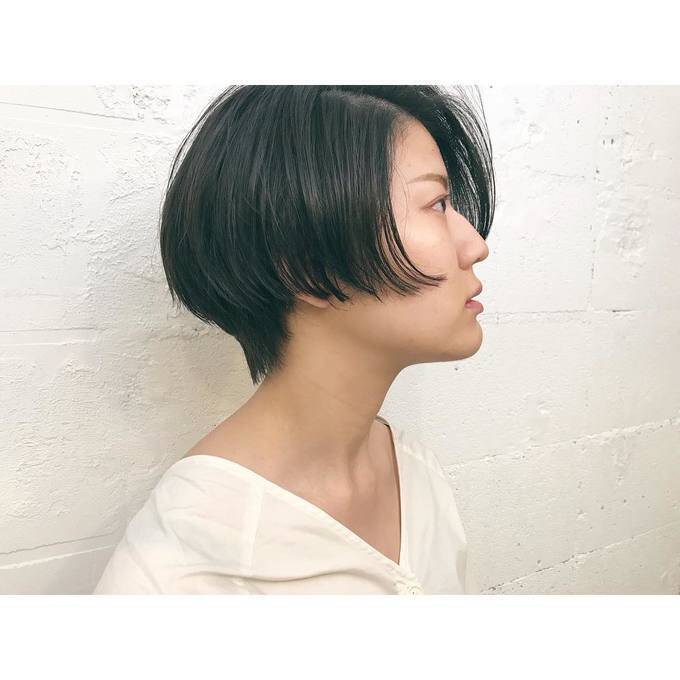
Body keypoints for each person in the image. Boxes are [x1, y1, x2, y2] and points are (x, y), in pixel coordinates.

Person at [93, 85, 494, 595]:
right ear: (309, 266)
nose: (475, 245)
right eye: (436, 204)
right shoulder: (174, 577)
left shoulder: (415, 474)